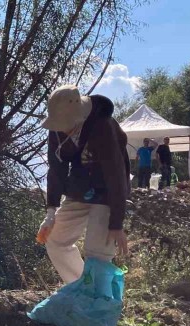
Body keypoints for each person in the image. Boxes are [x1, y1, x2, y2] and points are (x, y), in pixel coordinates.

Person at [37, 85, 130, 284]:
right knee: (55, 240)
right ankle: (81, 288)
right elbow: (56, 168)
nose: (62, 129)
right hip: (79, 189)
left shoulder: (103, 126)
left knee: (97, 250)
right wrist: (50, 212)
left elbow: (116, 175)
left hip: (106, 192)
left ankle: (101, 303)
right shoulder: (57, 129)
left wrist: (116, 223)